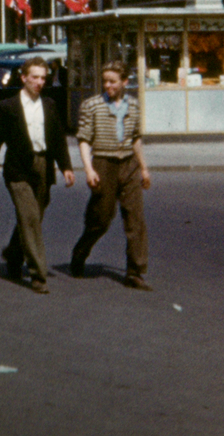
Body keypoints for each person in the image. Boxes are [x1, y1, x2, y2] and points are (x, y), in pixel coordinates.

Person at [0, 57, 75, 294]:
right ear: (24, 78)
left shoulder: (50, 105)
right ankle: (38, 275)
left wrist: (66, 167)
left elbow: (58, 139)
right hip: (18, 170)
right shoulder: (8, 106)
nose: (39, 82)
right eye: (35, 77)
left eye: (43, 78)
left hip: (43, 166)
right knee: (30, 218)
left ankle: (14, 254)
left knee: (33, 217)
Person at [70, 60, 153, 291]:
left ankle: (135, 272)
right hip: (103, 163)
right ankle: (80, 252)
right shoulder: (92, 105)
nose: (108, 85)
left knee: (135, 218)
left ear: (125, 82)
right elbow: (84, 139)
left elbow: (136, 138)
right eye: (105, 81)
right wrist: (89, 169)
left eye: (113, 81)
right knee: (101, 218)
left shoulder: (134, 106)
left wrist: (144, 167)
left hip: (129, 164)